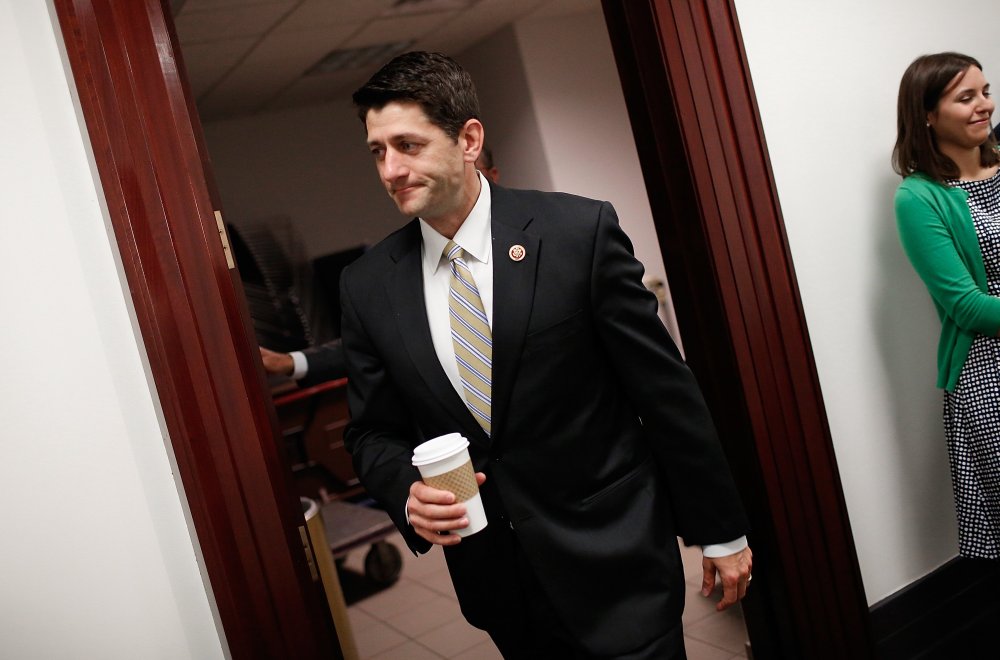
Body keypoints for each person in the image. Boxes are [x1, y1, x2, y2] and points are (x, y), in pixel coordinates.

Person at [340, 51, 751, 658]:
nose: (391, 169)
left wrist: (721, 532)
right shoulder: (368, 284)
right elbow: (372, 430)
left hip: (616, 558)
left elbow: (666, 393)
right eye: (378, 151)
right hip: (501, 583)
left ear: (469, 139)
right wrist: (405, 489)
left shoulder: (576, 234)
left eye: (407, 144)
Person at [893, 52, 1000, 560]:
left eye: (985, 92)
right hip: (989, 375)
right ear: (928, 115)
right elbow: (969, 307)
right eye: (966, 97)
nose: (985, 105)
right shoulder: (918, 198)